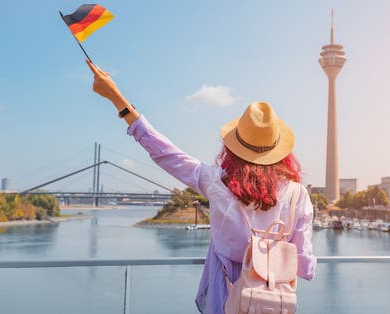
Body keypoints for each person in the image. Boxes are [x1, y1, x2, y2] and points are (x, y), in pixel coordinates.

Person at [87, 60, 316, 313]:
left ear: (233, 146)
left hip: (226, 297)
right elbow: (305, 266)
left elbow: (166, 154)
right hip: (274, 302)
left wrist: (117, 98)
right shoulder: (298, 195)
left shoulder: (217, 182)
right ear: (278, 150)